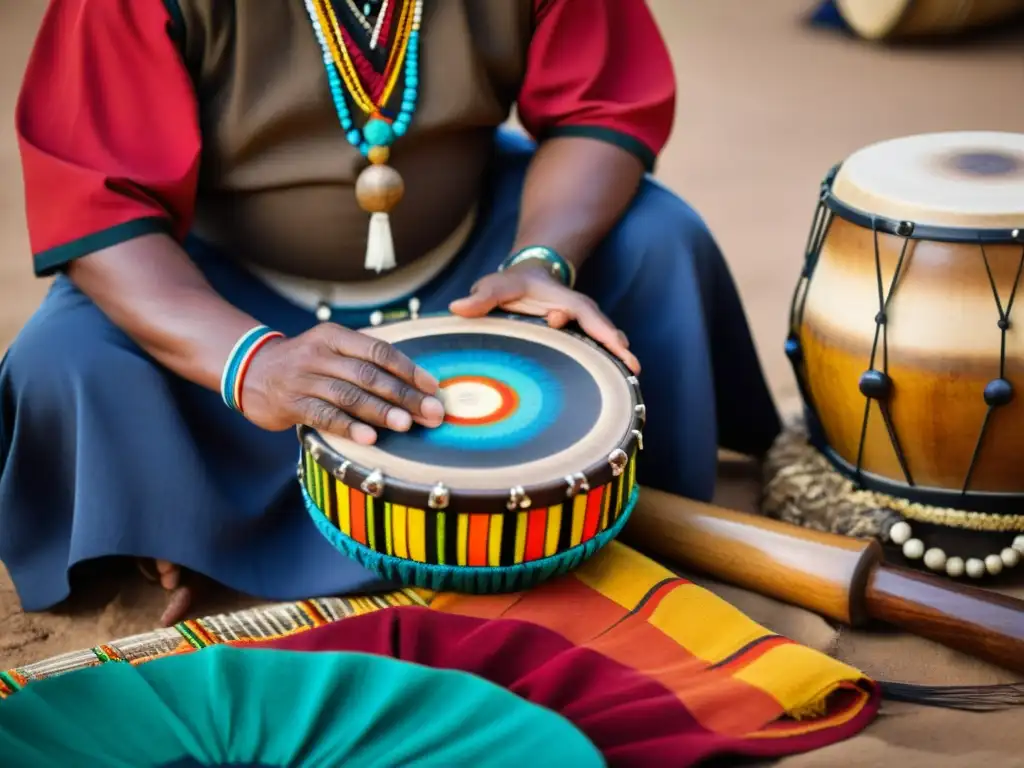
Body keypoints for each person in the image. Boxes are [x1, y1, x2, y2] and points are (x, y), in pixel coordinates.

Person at [0, 0, 781, 624]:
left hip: (479, 269)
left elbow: (599, 105)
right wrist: (254, 363)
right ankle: (187, 520)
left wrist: (542, 260)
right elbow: (102, 196)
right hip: (223, 299)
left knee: (658, 237)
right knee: (62, 359)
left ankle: (625, 502)